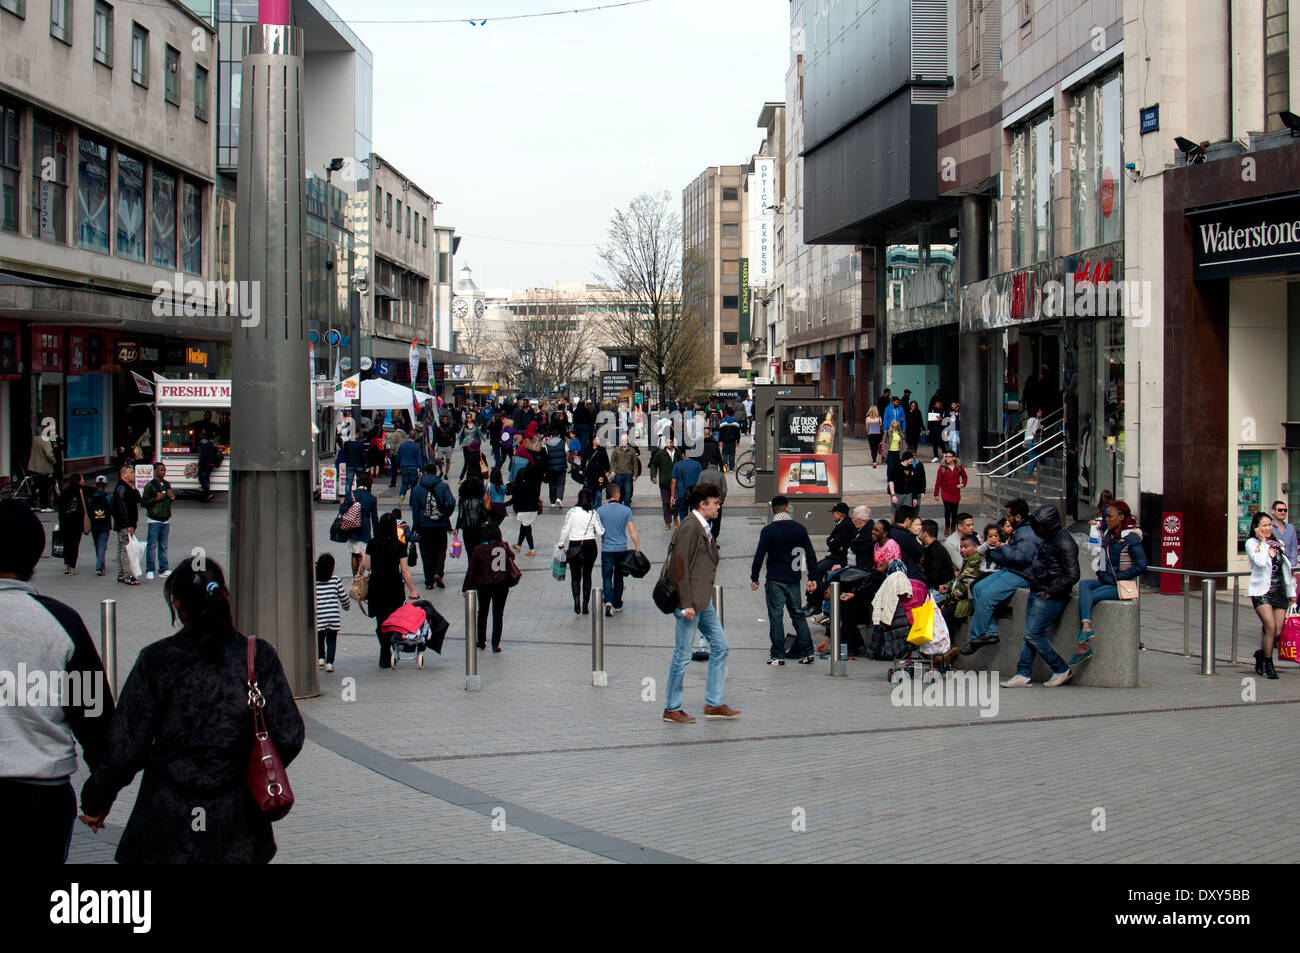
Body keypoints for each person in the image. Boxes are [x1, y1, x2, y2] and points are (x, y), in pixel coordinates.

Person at [78, 558, 303, 862]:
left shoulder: (157, 660)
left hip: (165, 825)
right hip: (237, 826)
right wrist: (250, 768)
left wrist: (96, 798)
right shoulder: (256, 656)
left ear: (179, 606)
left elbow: (126, 746)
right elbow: (289, 734)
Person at [0, 501, 114, 863]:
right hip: (40, 798)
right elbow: (96, 718)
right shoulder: (64, 623)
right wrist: (99, 795)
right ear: (35, 557)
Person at [661, 483, 739, 723]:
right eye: (715, 502)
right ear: (701, 504)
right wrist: (686, 604)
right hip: (690, 603)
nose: (719, 506)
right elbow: (680, 565)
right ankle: (672, 708)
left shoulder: (704, 526)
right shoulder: (690, 527)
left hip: (702, 601)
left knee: (721, 645)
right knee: (682, 655)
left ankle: (714, 703)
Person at [1000, 504, 1081, 688]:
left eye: (1039, 527)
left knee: (1033, 634)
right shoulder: (1050, 538)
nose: (1037, 531)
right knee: (1029, 634)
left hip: (1049, 595)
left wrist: (1051, 591)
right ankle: (1023, 672)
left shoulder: (1063, 541)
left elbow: (1073, 574)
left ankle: (1060, 668)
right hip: (1039, 590)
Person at [1073, 500, 1147, 667]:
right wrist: (1100, 572)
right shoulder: (1108, 534)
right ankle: (1086, 626)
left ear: (1121, 517)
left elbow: (1142, 565)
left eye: (1110, 516)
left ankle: (1084, 645)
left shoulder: (1131, 538)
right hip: (1105, 580)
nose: (1106, 519)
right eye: (1105, 516)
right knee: (1085, 585)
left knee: (1092, 596)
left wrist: (1121, 575)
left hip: (1120, 586)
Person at [962, 498, 1042, 654]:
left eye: (1009, 516)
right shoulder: (1020, 530)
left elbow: (1020, 558)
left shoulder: (1027, 533)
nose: (1007, 519)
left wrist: (1000, 547)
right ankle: (990, 632)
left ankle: (976, 636)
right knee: (977, 588)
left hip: (1022, 574)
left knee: (987, 595)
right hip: (1011, 569)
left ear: (1018, 517)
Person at [751, 495, 818, 665]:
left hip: (775, 578)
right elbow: (810, 554)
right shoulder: (799, 529)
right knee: (798, 614)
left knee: (776, 616)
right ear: (788, 508)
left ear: (772, 510)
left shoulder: (768, 530)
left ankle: (778, 654)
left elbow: (759, 555)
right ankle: (808, 652)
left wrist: (755, 577)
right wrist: (813, 578)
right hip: (794, 579)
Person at [363, 511, 419, 668]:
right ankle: (387, 649)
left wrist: (363, 556)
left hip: (377, 586)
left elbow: (367, 566)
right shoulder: (399, 545)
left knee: (380, 620)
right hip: (394, 586)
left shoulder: (372, 543)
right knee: (392, 620)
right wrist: (413, 590)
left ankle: (384, 651)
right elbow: (405, 571)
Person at [1246, 511, 1297, 680]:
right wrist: (1262, 542)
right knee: (1270, 626)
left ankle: (1261, 654)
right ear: (1256, 528)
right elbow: (1259, 562)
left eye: (1269, 525)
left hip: (1279, 591)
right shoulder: (1252, 543)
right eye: (1264, 526)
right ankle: (1269, 663)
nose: (1268, 528)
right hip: (1262, 592)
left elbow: (1286, 571)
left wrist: (1291, 593)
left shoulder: (1278, 543)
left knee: (1277, 633)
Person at [463, 523, 517, 652]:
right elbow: (512, 556)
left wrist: (466, 587)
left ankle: (481, 641)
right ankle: (495, 644)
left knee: (482, 612)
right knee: (498, 613)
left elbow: (471, 570)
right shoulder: (503, 547)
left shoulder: (479, 549)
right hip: (502, 584)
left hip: (484, 584)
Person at [596, 482, 641, 616]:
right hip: (621, 548)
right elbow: (632, 531)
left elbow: (597, 530)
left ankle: (608, 600)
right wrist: (637, 547)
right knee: (619, 577)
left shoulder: (600, 511)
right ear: (617, 494)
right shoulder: (626, 510)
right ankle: (617, 602)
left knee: (607, 576)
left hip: (606, 549)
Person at [558, 487, 604, 615]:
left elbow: (565, 529)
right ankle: (585, 605)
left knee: (575, 576)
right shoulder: (593, 512)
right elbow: (600, 531)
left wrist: (561, 544)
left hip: (574, 545)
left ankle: (576, 602)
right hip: (589, 544)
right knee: (587, 574)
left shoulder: (571, 512)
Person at [410, 462, 455, 589]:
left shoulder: (417, 490)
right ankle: (438, 572)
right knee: (441, 550)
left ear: (424, 473)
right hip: (440, 524)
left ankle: (429, 581)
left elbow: (415, 511)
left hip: (424, 525)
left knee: (426, 552)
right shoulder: (443, 486)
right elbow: (451, 502)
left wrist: (417, 527)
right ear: (436, 472)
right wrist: (446, 515)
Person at [140, 462, 175, 580]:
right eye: (161, 470)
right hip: (154, 519)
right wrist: (156, 498)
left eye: (164, 470)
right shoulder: (150, 485)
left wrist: (171, 497)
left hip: (165, 519)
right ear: (155, 471)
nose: (163, 472)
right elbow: (144, 502)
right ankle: (150, 569)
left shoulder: (167, 484)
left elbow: (169, 501)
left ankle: (163, 569)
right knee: (152, 546)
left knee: (163, 546)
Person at [315, 552, 349, 672]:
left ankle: (321, 658)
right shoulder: (335, 580)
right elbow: (343, 597)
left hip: (319, 614)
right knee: (331, 640)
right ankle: (330, 663)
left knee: (320, 637)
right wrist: (346, 606)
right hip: (333, 615)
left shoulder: (315, 582)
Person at [343, 471, 380, 577]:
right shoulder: (371, 498)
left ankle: (355, 576)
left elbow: (344, 509)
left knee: (354, 553)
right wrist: (377, 535)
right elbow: (374, 517)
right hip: (364, 526)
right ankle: (360, 576)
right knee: (363, 553)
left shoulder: (351, 494)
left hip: (352, 525)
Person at [510, 445, 545, 557]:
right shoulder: (533, 485)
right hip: (533, 509)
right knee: (525, 527)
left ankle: (532, 549)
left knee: (527, 529)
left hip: (523, 510)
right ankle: (519, 544)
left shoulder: (518, 487)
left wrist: (503, 504)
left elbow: (513, 500)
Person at [111, 463, 142, 586]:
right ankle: (127, 574)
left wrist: (134, 488)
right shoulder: (121, 489)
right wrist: (129, 524)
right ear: (123, 475)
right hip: (124, 524)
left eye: (133, 472)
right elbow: (123, 508)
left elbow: (138, 499)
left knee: (122, 547)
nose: (133, 475)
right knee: (126, 549)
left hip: (125, 523)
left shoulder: (128, 487)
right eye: (130, 473)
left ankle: (121, 573)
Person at [55, 473, 89, 575]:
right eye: (82, 479)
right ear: (78, 481)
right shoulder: (80, 491)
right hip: (76, 523)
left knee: (67, 544)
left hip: (65, 523)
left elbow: (59, 507)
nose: (83, 480)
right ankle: (72, 567)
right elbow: (83, 507)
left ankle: (67, 565)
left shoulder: (65, 491)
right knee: (74, 545)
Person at [933, 451, 969, 536]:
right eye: (946, 456)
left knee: (954, 511)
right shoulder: (942, 468)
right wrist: (936, 493)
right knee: (947, 510)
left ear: (954, 458)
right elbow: (938, 481)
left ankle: (953, 527)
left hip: (956, 493)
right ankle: (947, 527)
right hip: (946, 493)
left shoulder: (958, 467)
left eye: (949, 456)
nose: (947, 458)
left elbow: (965, 477)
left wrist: (962, 484)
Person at [456, 474, 490, 559]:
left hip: (467, 530)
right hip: (479, 529)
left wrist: (456, 527)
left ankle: (471, 569)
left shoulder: (462, 500)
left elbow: (460, 516)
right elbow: (485, 515)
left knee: (470, 552)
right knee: (480, 552)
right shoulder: (481, 500)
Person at [86, 475, 114, 576]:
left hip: (94, 524)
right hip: (105, 524)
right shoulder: (108, 497)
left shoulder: (90, 497)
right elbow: (112, 510)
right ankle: (100, 566)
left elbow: (88, 511)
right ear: (105, 485)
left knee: (97, 545)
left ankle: (100, 563)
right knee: (102, 545)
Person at [919, 519, 955, 594]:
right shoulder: (932, 547)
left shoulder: (936, 551)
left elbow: (932, 577)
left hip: (939, 590)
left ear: (925, 534)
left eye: (920, 532)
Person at [695, 461, 728, 543]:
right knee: (716, 523)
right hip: (717, 503)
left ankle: (706, 540)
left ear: (708, 463)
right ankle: (713, 540)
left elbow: (698, 487)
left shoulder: (702, 474)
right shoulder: (720, 474)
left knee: (706, 521)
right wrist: (721, 501)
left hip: (705, 503)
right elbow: (724, 489)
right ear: (716, 464)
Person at [27, 425, 56, 511]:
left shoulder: (36, 439)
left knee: (35, 486)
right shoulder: (46, 440)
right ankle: (44, 506)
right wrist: (54, 461)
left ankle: (32, 504)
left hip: (34, 466)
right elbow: (49, 454)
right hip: (43, 467)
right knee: (45, 487)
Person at [650, 438, 677, 529]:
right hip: (664, 482)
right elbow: (654, 464)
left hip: (676, 482)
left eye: (670, 442)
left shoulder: (678, 453)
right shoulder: (661, 454)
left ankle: (675, 517)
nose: (669, 443)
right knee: (666, 502)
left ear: (673, 442)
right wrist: (653, 476)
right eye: (667, 442)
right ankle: (668, 521)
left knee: (676, 502)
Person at [670, 448, 702, 525]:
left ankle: (684, 529)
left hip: (682, 493)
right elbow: (701, 480)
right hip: (694, 493)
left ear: (683, 455)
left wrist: (672, 496)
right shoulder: (697, 464)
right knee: (694, 514)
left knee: (683, 514)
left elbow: (673, 481)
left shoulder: (678, 465)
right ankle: (693, 529)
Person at [888, 451, 924, 515]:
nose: (912, 460)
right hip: (898, 494)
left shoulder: (911, 468)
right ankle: (894, 525)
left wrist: (915, 497)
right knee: (895, 513)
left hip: (908, 494)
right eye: (911, 458)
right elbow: (891, 481)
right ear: (907, 458)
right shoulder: (896, 467)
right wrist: (893, 495)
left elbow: (914, 483)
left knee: (907, 513)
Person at [1269, 500, 1298, 579]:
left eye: (1285, 510)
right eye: (1280, 510)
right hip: (1272, 569)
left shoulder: (1290, 528)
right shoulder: (1268, 528)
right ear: (1273, 511)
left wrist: (1292, 564)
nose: (1283, 512)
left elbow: (1294, 549)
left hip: (1288, 569)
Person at [610, 433, 640, 505]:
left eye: (625, 441)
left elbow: (635, 463)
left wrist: (635, 474)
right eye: (622, 441)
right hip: (618, 473)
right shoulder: (616, 450)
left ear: (627, 441)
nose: (623, 442)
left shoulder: (632, 451)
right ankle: (618, 504)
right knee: (618, 491)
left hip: (628, 474)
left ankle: (627, 505)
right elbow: (612, 461)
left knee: (628, 491)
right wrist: (612, 471)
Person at [342, 426, 369, 502]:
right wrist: (366, 463)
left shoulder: (347, 443)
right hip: (359, 464)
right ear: (357, 434)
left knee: (348, 482)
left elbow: (345, 453)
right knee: (360, 481)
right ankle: (359, 496)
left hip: (349, 464)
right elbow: (363, 455)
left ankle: (348, 498)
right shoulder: (360, 443)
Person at [543, 427, 568, 505]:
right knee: (561, 483)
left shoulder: (546, 443)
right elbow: (567, 452)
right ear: (559, 435)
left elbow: (545, 454)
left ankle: (552, 501)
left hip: (550, 467)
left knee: (552, 484)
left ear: (551, 436)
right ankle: (559, 498)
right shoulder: (563, 442)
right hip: (562, 467)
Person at [196, 431, 222, 503]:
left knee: (201, 478)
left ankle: (208, 493)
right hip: (211, 464)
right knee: (206, 478)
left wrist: (200, 463)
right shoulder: (210, 443)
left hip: (205, 464)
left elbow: (203, 454)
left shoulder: (202, 443)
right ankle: (206, 495)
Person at [1023, 407, 1044, 482]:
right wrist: (1040, 428)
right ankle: (1029, 476)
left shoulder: (1029, 420)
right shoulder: (1036, 421)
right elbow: (1034, 431)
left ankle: (1033, 470)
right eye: (1040, 411)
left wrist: (1024, 441)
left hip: (1027, 439)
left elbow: (1026, 431)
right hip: (1032, 440)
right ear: (1036, 412)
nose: (1041, 412)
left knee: (1032, 456)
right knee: (1033, 459)